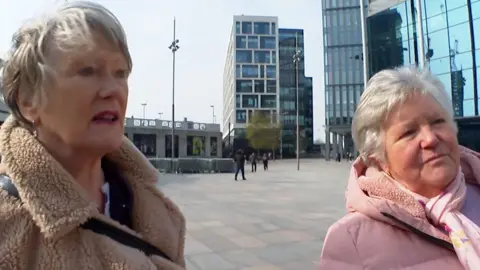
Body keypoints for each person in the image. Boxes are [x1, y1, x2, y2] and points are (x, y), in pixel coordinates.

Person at [0, 2, 186, 269]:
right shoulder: (8, 229)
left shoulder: (154, 209)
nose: (113, 90)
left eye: (120, 74)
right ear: (28, 100)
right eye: (87, 71)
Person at [319, 67, 480, 269]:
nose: (430, 139)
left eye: (438, 122)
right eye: (409, 132)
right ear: (379, 159)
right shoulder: (351, 241)